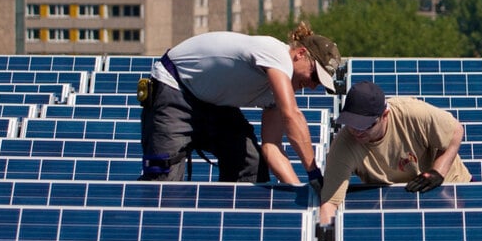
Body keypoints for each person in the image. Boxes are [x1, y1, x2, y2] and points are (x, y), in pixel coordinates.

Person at [139, 22, 341, 184]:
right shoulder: (276, 54)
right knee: (163, 182)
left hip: (213, 103)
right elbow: (291, 114)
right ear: (300, 54)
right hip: (176, 88)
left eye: (319, 83)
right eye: (314, 76)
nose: (313, 86)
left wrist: (300, 190)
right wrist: (314, 173)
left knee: (250, 163)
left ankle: (232, 228)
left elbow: (272, 147)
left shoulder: (275, 92)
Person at [318, 80, 472, 224]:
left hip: (450, 187)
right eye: (352, 124)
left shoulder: (413, 114)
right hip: (399, 202)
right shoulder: (343, 145)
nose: (357, 132)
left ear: (385, 115)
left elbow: (456, 130)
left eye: (365, 126)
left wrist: (438, 172)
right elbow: (330, 202)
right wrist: (330, 234)